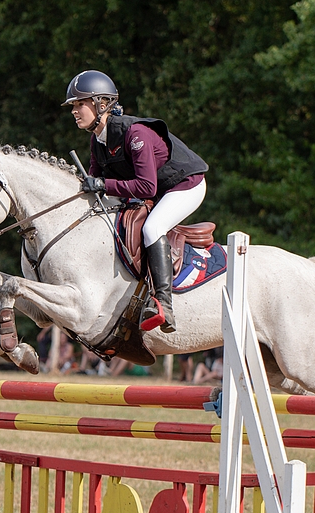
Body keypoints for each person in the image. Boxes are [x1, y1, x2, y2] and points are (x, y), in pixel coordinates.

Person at [64, 70, 209, 334]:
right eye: (73, 105)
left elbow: (146, 186)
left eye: (79, 103)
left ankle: (164, 303)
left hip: (184, 185)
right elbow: (97, 184)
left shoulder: (136, 134)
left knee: (152, 228)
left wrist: (102, 185)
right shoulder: (98, 141)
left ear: (101, 104)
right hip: (156, 190)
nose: (74, 110)